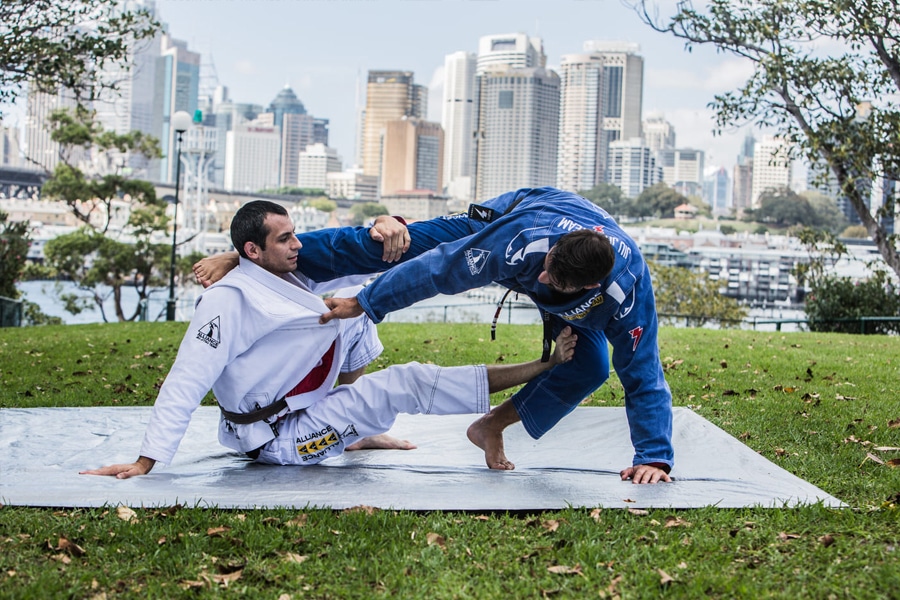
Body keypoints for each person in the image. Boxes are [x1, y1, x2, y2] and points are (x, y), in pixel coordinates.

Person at [194, 188, 673, 484]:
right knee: (388, 246)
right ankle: (246, 258)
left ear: (589, 288)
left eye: (555, 283)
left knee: (588, 366)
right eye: (544, 272)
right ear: (552, 254)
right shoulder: (522, 240)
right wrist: (368, 301)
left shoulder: (625, 298)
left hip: (576, 294)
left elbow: (643, 372)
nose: (542, 282)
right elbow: (442, 271)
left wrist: (654, 457)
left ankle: (490, 427)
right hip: (507, 220)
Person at [82, 200, 576, 479]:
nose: (298, 245)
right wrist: (146, 462)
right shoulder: (226, 302)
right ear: (252, 250)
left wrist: (389, 223)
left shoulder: (291, 275)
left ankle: (352, 426)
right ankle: (539, 368)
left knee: (357, 303)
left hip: (302, 400)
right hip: (279, 438)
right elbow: (185, 381)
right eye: (285, 240)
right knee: (401, 384)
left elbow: (365, 256)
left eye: (295, 234)